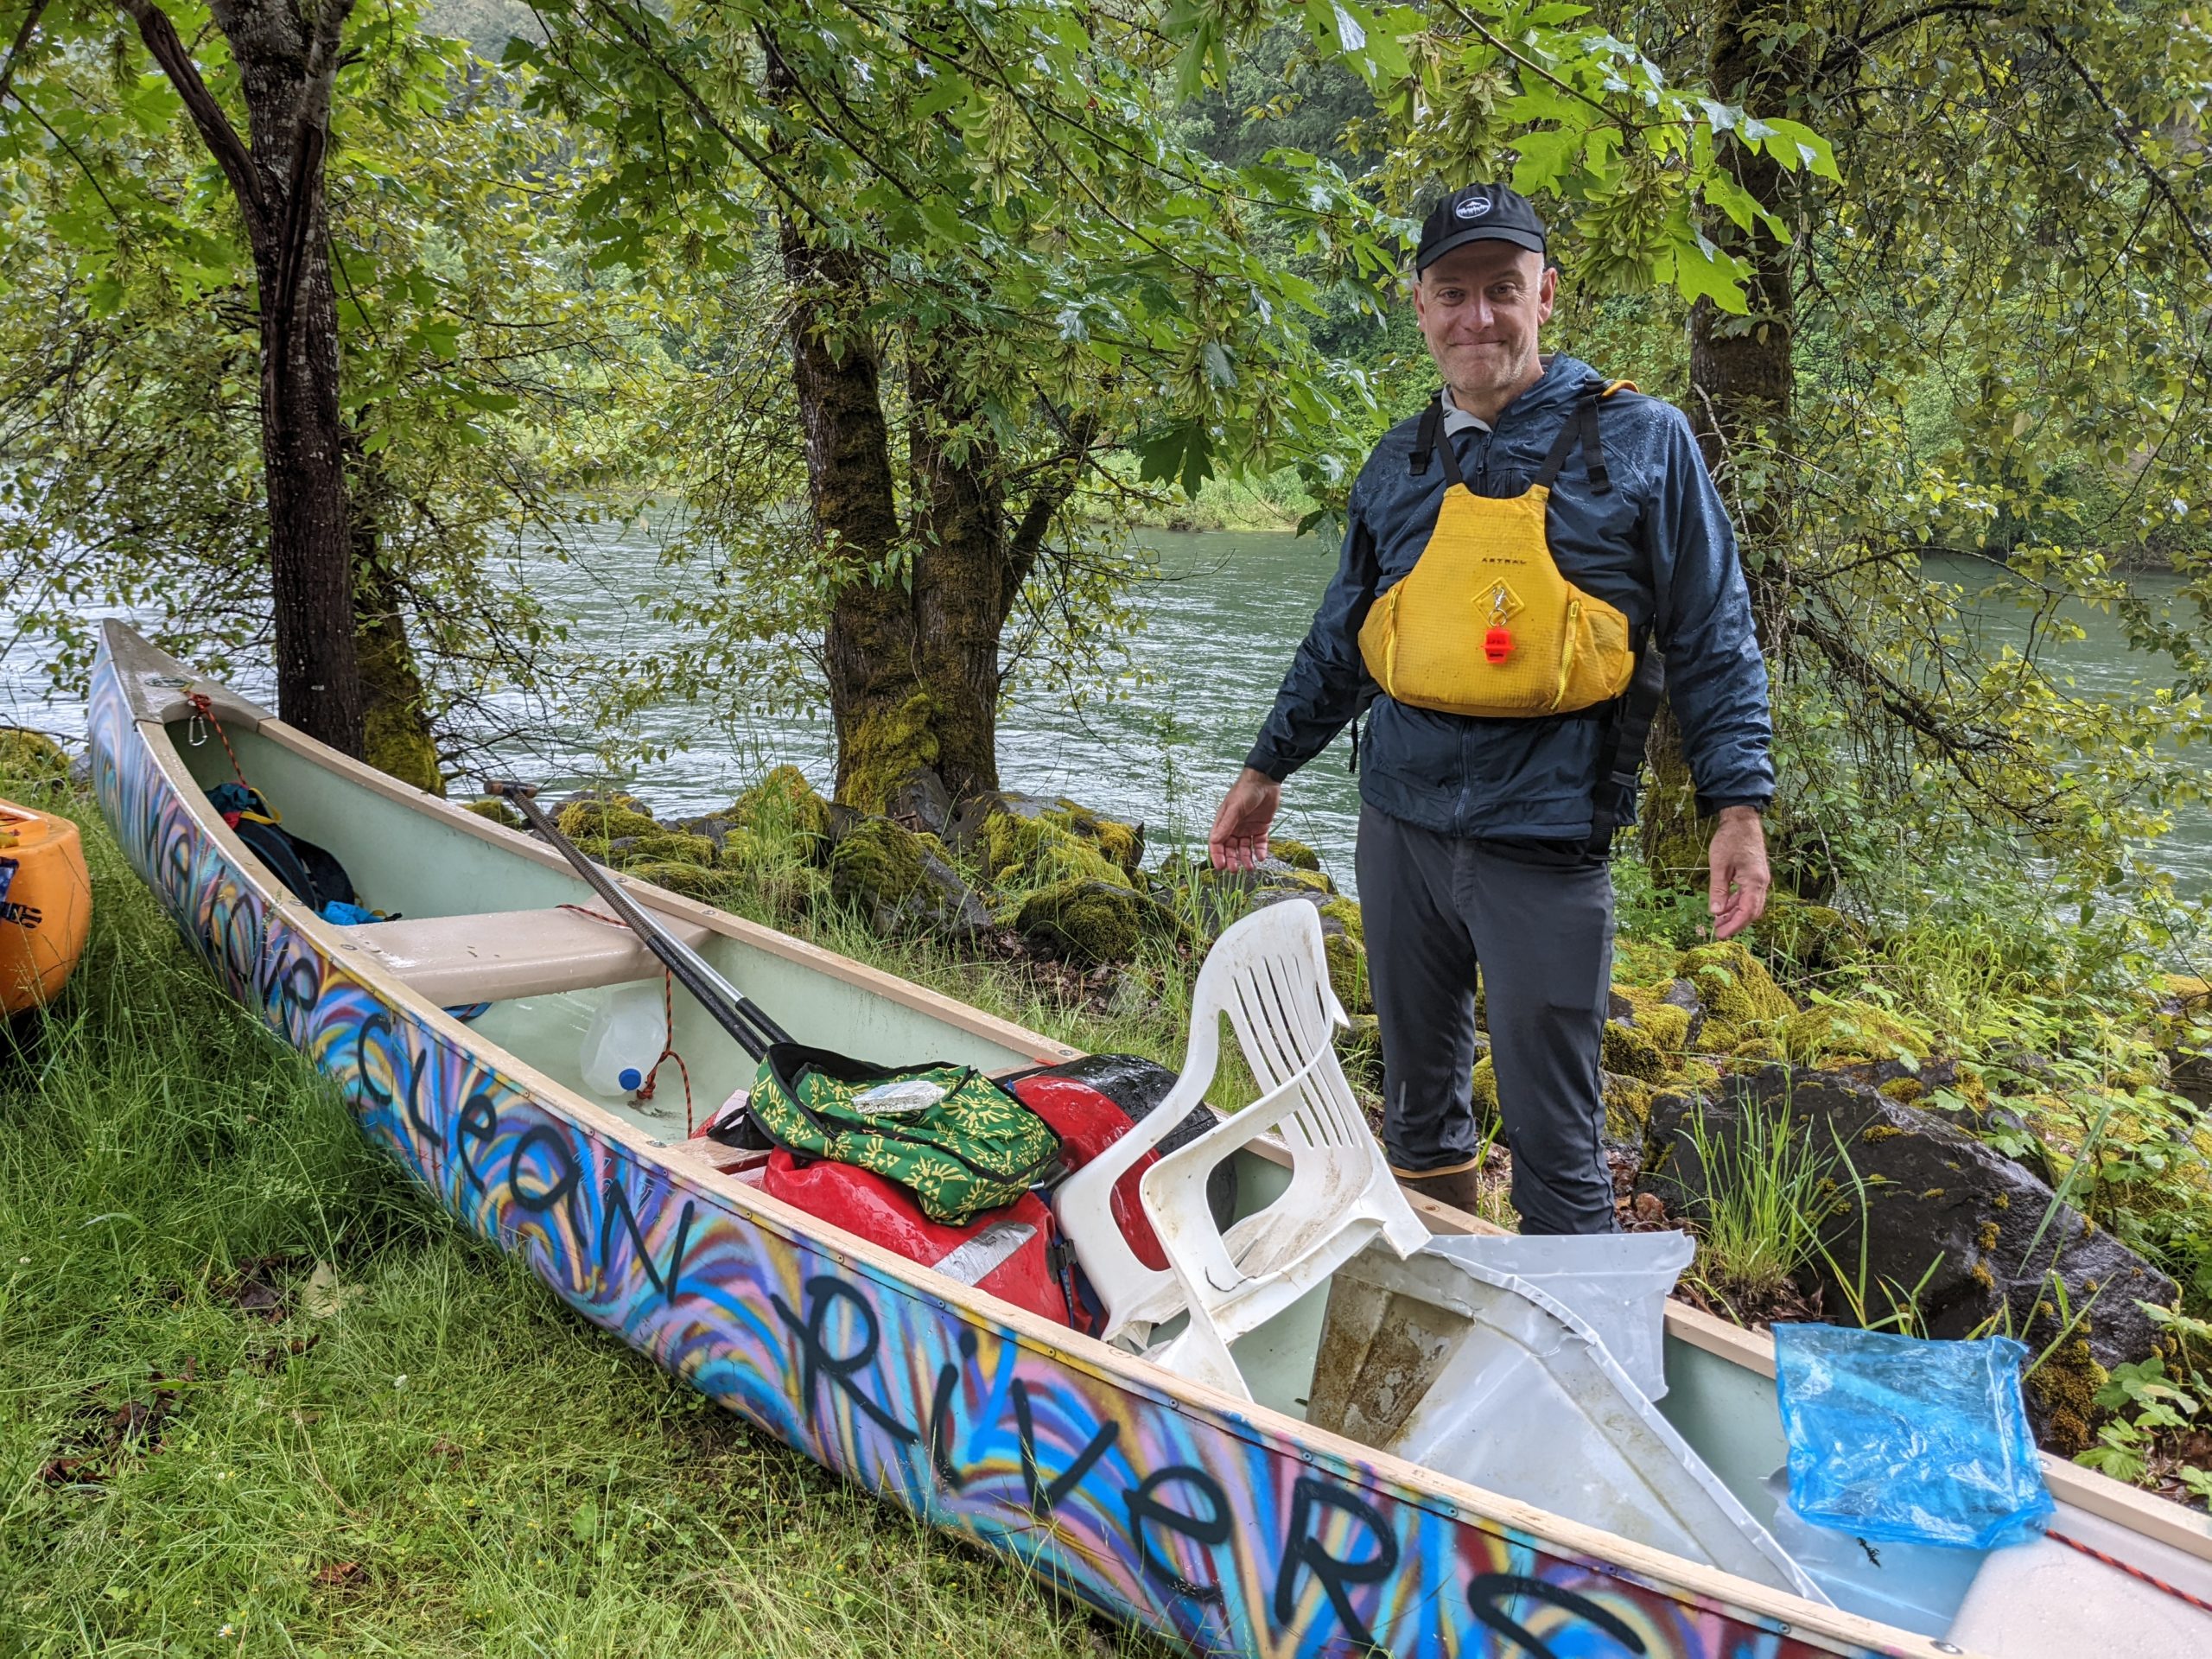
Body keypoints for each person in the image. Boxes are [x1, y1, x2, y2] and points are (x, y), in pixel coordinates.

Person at [1208, 182, 1774, 1233]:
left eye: (1502, 291)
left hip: (1547, 841)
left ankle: (1567, 1362)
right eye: (1454, 293)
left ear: (1545, 295)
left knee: (1555, 1131)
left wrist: (1736, 807)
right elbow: (1344, 638)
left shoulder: (1643, 442)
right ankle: (1431, 1303)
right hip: (1400, 824)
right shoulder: (1398, 460)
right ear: (1418, 305)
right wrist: (1264, 769)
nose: (1479, 318)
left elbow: (1711, 629)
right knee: (1419, 1109)